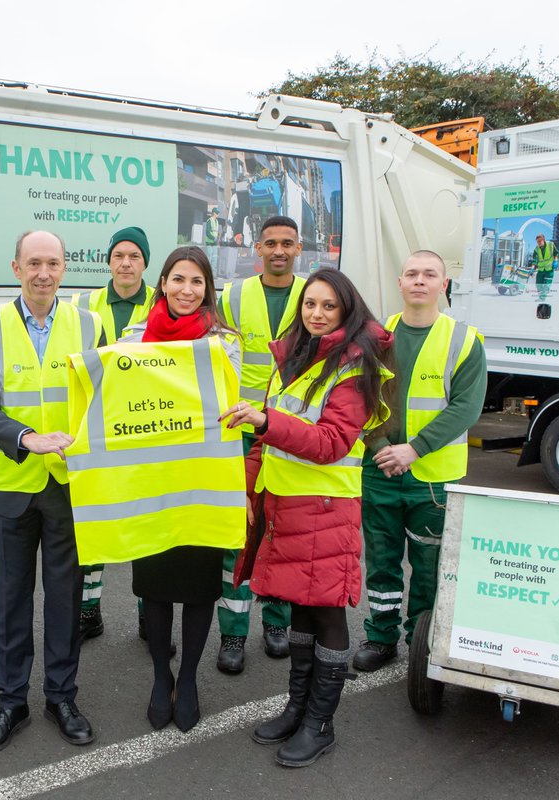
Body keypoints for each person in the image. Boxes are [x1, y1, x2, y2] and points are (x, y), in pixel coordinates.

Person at [223, 268, 393, 768]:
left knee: (327, 612)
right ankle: (297, 707)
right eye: (309, 305)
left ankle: (320, 722)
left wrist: (265, 420)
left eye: (328, 307)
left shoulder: (355, 367)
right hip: (285, 503)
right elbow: (268, 442)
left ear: (347, 311)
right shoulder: (295, 358)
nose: (316, 314)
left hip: (325, 508)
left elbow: (329, 443)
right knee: (299, 605)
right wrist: (250, 485)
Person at [0, 230, 103, 754]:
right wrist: (27, 439)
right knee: (11, 601)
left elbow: (103, 400)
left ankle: (61, 696)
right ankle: (11, 701)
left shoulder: (91, 324)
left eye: (52, 263)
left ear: (64, 269)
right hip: (12, 483)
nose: (43, 272)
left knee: (66, 600)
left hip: (70, 485)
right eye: (33, 263)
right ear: (15, 267)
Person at [116, 245, 241, 732]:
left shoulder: (224, 341)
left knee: (198, 586)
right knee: (155, 585)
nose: (187, 291)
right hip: (152, 479)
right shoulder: (133, 337)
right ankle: (159, 673)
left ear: (208, 289)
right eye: (178, 280)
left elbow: (227, 411)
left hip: (202, 481)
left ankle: (187, 677)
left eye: (197, 282)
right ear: (162, 283)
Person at [353, 250, 486, 673]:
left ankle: (422, 639)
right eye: (412, 273)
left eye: (430, 274)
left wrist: (414, 449)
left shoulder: (464, 339)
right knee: (382, 559)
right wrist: (379, 449)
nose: (420, 281)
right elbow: (357, 398)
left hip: (432, 477)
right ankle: (380, 636)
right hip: (379, 470)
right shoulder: (374, 336)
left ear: (443, 284)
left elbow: (466, 407)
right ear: (400, 282)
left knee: (429, 565)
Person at [213, 214, 305, 674]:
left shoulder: (314, 295)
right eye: (270, 243)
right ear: (257, 248)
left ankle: (277, 623)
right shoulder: (232, 295)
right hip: (239, 429)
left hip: (289, 431)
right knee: (237, 531)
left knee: (281, 530)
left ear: (299, 247)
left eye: (287, 243)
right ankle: (232, 634)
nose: (278, 251)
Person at [70, 226, 155, 642]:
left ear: (145, 263)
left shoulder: (163, 301)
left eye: (134, 257)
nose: (125, 263)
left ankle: (147, 614)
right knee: (96, 524)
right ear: (108, 261)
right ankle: (89, 611)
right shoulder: (83, 303)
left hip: (145, 432)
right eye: (119, 255)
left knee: (144, 530)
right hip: (98, 430)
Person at [532, 234, 559, 301]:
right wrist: (532, 268)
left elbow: (556, 254)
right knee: (538, 284)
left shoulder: (551, 245)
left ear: (543, 240)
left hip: (549, 269)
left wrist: (555, 261)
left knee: (547, 284)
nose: (538, 243)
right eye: (537, 242)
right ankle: (541, 296)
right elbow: (534, 260)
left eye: (539, 241)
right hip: (541, 270)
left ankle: (542, 298)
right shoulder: (536, 249)